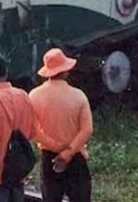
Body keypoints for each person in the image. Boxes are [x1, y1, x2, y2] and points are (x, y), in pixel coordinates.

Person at [0, 52, 61, 202]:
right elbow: (35, 132)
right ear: (6, 72)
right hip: (18, 169)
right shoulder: (22, 96)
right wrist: (59, 147)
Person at [29, 48, 93, 202]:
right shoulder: (79, 96)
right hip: (75, 157)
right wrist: (67, 153)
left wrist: (56, 147)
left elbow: (32, 130)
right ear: (66, 71)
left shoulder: (34, 96)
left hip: (49, 158)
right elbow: (87, 129)